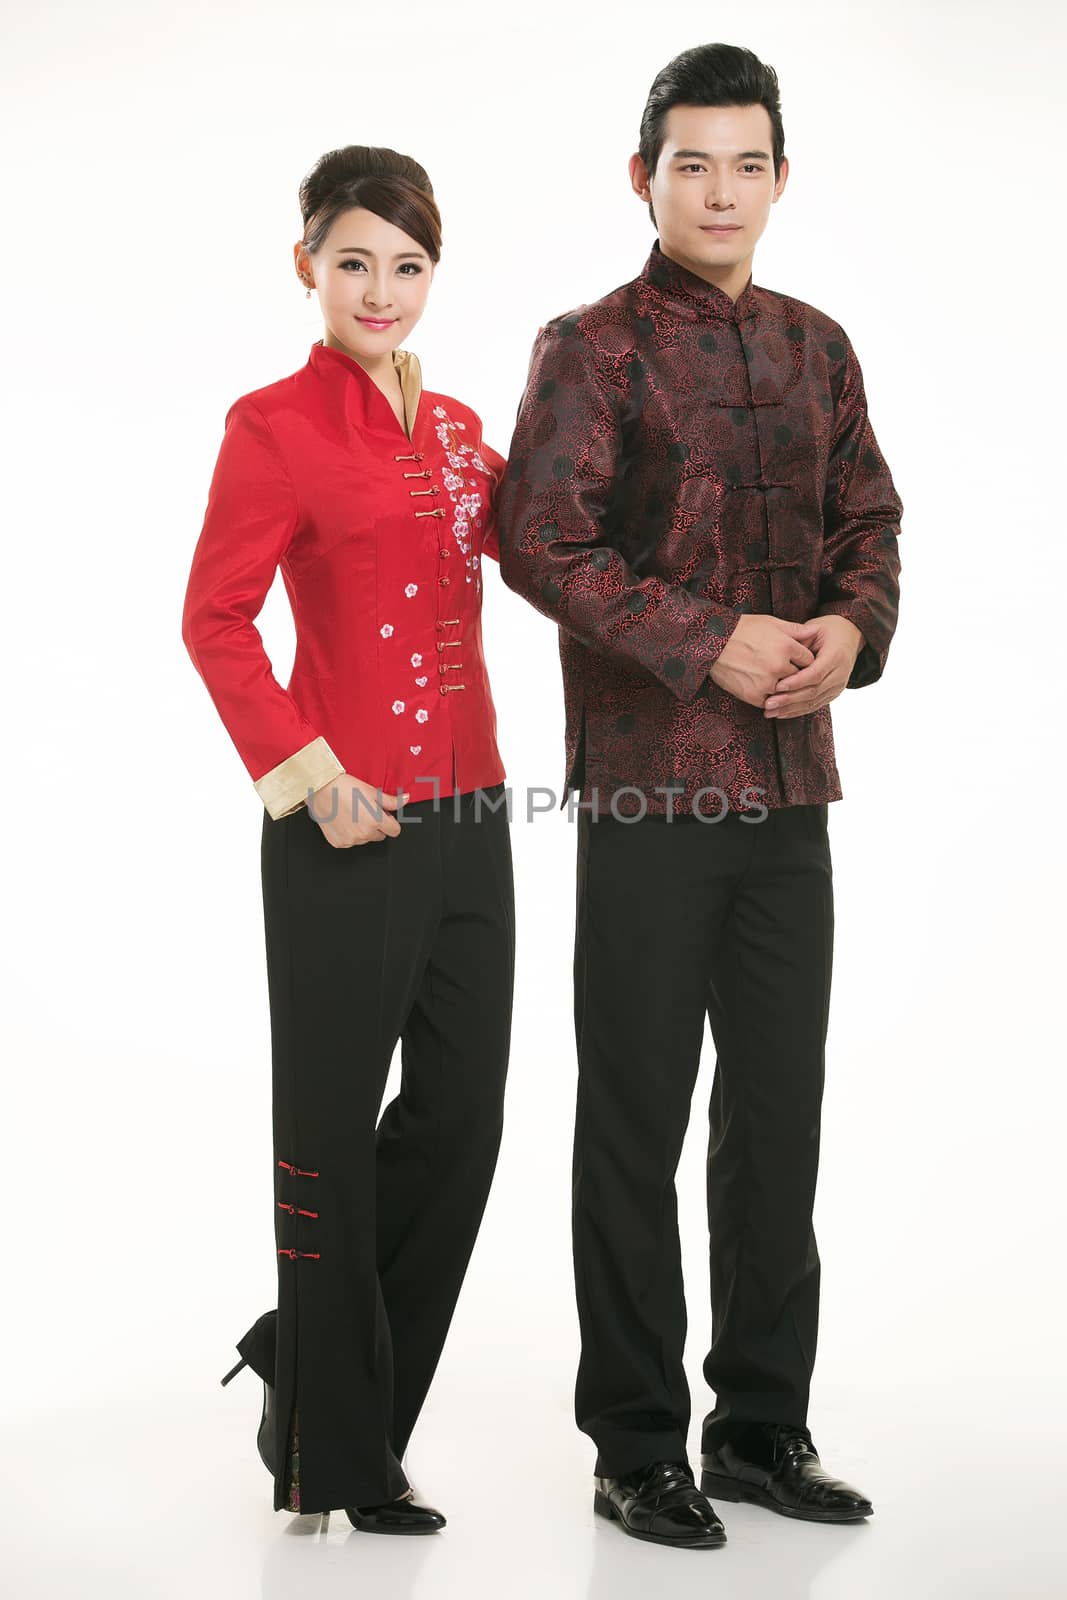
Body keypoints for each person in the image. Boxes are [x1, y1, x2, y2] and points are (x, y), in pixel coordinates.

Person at [496, 43, 901, 1549]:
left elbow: (871, 513)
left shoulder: (818, 346)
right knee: (635, 1124)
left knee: (776, 1121)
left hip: (793, 796)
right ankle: (635, 1445)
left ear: (780, 178)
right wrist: (706, 639)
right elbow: (540, 539)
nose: (720, 190)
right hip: (656, 797)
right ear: (643, 176)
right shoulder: (594, 346)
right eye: (691, 163)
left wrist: (850, 630)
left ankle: (762, 1428)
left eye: (747, 163)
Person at [181, 145, 515, 1531]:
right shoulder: (272, 426)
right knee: (326, 1134)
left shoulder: (457, 431)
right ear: (307, 262)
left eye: (410, 264)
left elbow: (542, 540)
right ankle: (337, 1453)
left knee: (459, 1126)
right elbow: (215, 619)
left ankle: (306, 1360)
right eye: (356, 259)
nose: (383, 289)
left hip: (474, 811)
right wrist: (306, 775)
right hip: (343, 825)